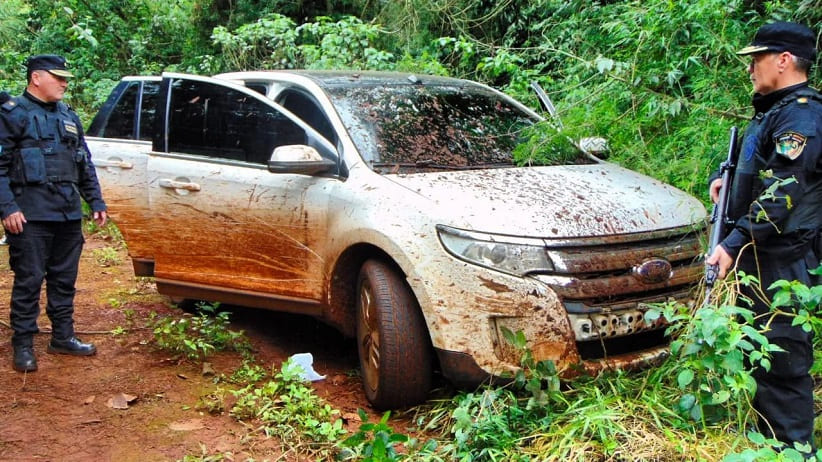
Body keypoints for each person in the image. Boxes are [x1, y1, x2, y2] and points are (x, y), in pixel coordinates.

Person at [706, 21, 820, 451]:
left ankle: (794, 450)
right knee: (761, 352)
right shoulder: (776, 110)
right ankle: (770, 445)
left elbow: (783, 194)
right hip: (764, 255)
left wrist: (732, 243)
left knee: (783, 360)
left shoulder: (802, 115)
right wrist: (724, 178)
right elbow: (758, 164)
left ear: (784, 60)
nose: (751, 68)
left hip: (785, 260)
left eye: (757, 59)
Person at [0, 55, 107, 372]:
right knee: (29, 280)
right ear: (36, 78)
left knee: (64, 280)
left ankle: (62, 336)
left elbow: (83, 162)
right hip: (30, 215)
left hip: (67, 214)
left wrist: (96, 201)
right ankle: (23, 345)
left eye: (65, 78)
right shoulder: (13, 115)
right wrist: (8, 208)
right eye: (57, 77)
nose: (64, 83)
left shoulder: (68, 116)